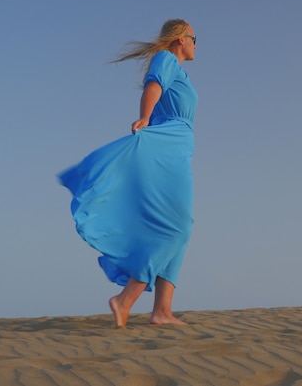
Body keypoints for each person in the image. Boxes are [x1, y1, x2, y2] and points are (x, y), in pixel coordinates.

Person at [58, 19, 198, 328]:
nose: (196, 44)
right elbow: (153, 86)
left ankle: (162, 311)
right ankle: (126, 300)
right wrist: (144, 117)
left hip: (176, 152)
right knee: (176, 229)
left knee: (180, 226)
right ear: (179, 40)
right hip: (164, 149)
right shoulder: (166, 59)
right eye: (193, 37)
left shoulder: (181, 71)